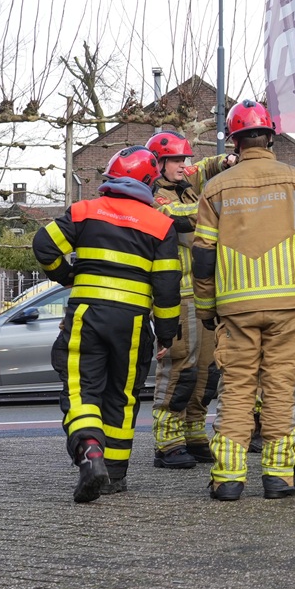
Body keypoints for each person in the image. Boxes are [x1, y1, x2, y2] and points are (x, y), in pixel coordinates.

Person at [190, 101, 295, 500]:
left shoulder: (215, 188)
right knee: (281, 388)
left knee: (236, 389)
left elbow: (202, 258)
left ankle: (228, 479)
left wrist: (206, 310)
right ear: (270, 136)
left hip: (235, 309)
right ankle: (278, 476)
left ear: (235, 141)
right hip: (290, 306)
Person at [32, 148, 181, 503]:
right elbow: (167, 286)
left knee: (82, 390)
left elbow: (43, 245)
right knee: (122, 397)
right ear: (149, 181)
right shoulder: (161, 224)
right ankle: (113, 475)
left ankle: (90, 452)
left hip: (87, 316)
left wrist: (67, 276)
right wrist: (167, 333)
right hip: (131, 325)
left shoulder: (85, 211)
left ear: (111, 178)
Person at [146, 129, 235, 469]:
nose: (185, 166)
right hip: (179, 297)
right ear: (159, 164)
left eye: (185, 159)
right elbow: (180, 221)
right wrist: (216, 205)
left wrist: (226, 162)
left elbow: (205, 167)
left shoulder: (185, 182)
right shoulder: (155, 197)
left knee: (207, 370)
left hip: (203, 294)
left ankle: (194, 432)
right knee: (179, 368)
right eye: (177, 160)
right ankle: (167, 441)